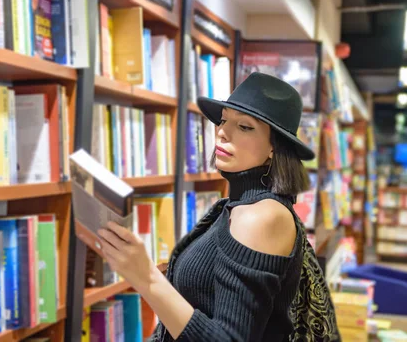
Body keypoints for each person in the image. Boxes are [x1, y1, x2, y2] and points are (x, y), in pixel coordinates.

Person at [97, 72, 339, 341]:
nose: (222, 132)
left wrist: (146, 278)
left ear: (275, 147)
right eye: (223, 120)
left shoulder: (261, 216)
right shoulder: (236, 207)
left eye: (244, 126)